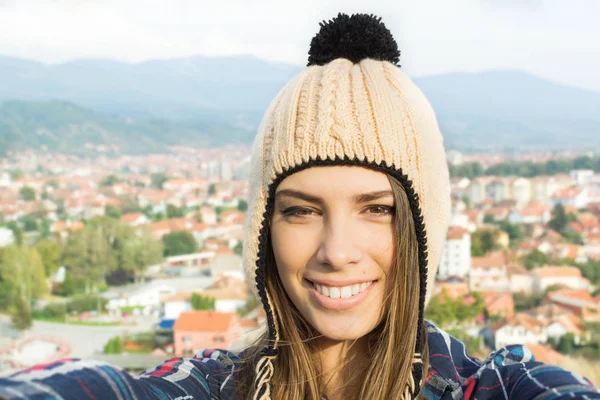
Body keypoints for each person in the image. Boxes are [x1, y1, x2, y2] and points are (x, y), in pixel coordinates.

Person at [1, 12, 599, 400]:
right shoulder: (210, 388)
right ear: (263, 229)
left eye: (377, 209)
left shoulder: (500, 388)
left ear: (424, 225)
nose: (336, 252)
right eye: (300, 210)